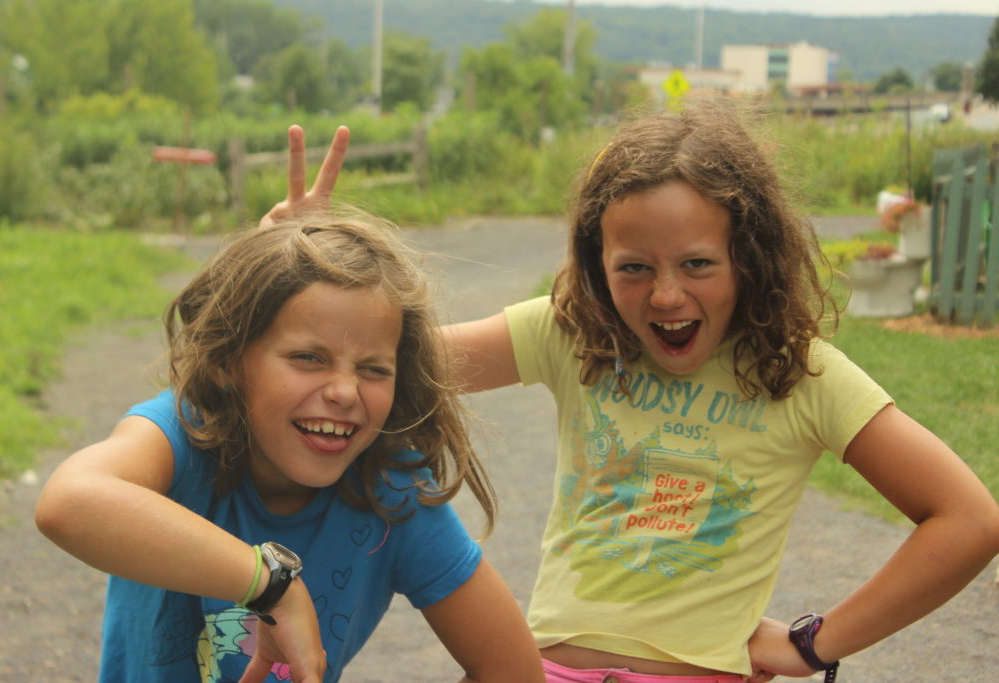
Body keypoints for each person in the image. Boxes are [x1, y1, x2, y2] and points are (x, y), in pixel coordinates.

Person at [261, 104, 999, 683]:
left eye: (698, 262)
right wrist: (302, 267)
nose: (667, 293)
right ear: (595, 260)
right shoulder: (574, 334)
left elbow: (967, 519)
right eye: (634, 267)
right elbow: (387, 367)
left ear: (748, 255)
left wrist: (815, 641)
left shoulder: (800, 373)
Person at [35, 208, 546, 683]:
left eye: (374, 369)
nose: (345, 391)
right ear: (228, 363)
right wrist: (273, 587)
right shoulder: (182, 432)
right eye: (308, 357)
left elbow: (514, 670)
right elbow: (68, 503)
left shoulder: (392, 489)